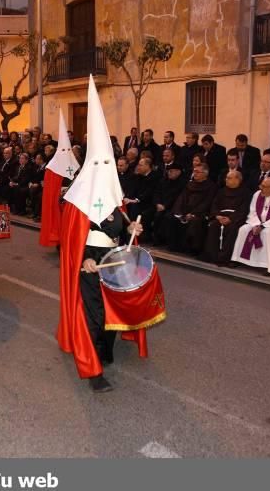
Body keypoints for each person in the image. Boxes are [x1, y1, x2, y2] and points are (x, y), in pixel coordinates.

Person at [58, 77, 165, 393]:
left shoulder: (115, 197)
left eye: (109, 163)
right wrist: (83, 263)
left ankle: (104, 350)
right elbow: (72, 240)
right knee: (93, 316)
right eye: (100, 163)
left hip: (114, 260)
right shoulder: (78, 202)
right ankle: (93, 373)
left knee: (112, 311)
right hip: (90, 263)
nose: (106, 168)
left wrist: (132, 228)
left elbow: (120, 223)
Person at [232, 177, 270, 275]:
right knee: (243, 229)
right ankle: (240, 259)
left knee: (266, 233)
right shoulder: (257, 194)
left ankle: (268, 265)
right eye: (261, 185)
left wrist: (263, 226)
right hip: (257, 222)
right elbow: (253, 212)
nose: (261, 188)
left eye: (264, 187)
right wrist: (256, 224)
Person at [39, 111, 79, 246]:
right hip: (60, 200)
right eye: (63, 151)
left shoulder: (74, 163)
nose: (66, 154)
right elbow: (51, 189)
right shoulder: (52, 166)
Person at [164, 164, 217, 255]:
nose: (194, 174)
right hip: (185, 211)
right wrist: (179, 212)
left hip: (200, 213)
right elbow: (181, 199)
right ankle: (175, 246)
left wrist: (193, 213)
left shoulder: (211, 186)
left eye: (197, 172)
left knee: (196, 222)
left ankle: (192, 249)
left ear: (205, 173)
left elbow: (207, 203)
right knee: (171, 217)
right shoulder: (190, 184)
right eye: (194, 171)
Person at [201, 170, 251, 265]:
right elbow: (214, 205)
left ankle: (226, 257)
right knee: (214, 226)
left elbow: (244, 209)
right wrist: (218, 216)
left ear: (237, 180)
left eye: (228, 178)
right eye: (226, 178)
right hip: (220, 216)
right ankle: (212, 256)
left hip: (236, 218)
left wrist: (231, 218)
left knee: (232, 229)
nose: (226, 180)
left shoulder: (246, 193)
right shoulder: (221, 191)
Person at [151, 162, 185, 245]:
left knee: (166, 217)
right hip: (160, 205)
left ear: (178, 172)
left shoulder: (182, 183)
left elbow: (176, 197)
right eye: (168, 171)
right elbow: (157, 192)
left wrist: (165, 206)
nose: (169, 173)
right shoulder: (164, 180)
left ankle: (164, 240)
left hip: (173, 207)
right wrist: (158, 203)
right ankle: (156, 239)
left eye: (171, 171)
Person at [123, 157, 158, 237]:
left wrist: (135, 200)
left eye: (140, 165)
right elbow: (133, 190)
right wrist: (128, 198)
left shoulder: (154, 177)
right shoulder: (138, 177)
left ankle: (135, 234)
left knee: (134, 207)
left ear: (147, 166)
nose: (138, 167)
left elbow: (149, 193)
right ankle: (126, 233)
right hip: (137, 201)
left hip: (148, 203)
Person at [28, 153, 47, 222]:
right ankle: (34, 213)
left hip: (44, 187)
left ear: (41, 160)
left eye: (37, 159)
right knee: (31, 191)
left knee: (39, 196)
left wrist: (38, 184)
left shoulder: (46, 168)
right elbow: (33, 177)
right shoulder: (37, 166)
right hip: (37, 186)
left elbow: (44, 179)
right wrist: (31, 182)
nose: (35, 160)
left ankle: (37, 215)